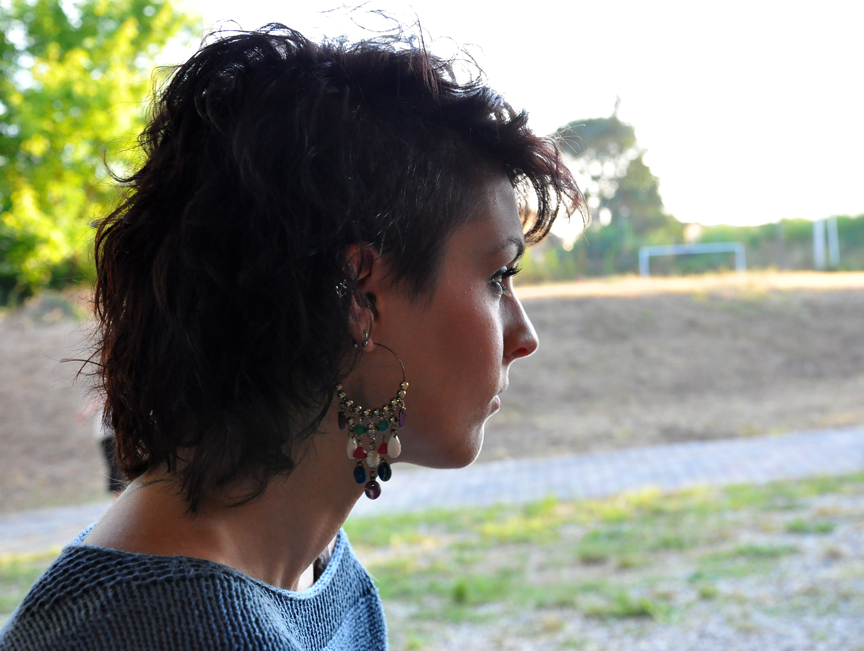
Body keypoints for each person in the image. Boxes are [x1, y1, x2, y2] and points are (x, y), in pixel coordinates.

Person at [0, 23, 581, 650]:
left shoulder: (312, 566)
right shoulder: (172, 628)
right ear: (358, 295)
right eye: (498, 276)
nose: (525, 337)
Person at [75, 394, 126, 495]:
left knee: (118, 465)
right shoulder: (108, 392)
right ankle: (118, 496)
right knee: (115, 465)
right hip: (108, 434)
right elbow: (95, 400)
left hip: (112, 433)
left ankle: (119, 495)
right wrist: (85, 411)